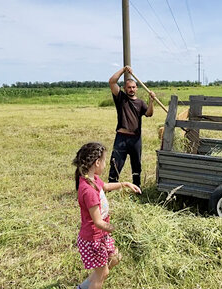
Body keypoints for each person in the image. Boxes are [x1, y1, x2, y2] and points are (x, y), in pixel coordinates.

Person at [72, 142, 142, 289]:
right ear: (97, 162)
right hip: (93, 239)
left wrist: (125, 184)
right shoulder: (88, 190)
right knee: (102, 275)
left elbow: (106, 187)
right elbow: (97, 222)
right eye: (104, 160)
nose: (105, 163)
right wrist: (120, 230)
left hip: (102, 235)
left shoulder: (92, 178)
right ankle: (94, 280)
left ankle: (86, 284)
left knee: (115, 257)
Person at [108, 65, 155, 187]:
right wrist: (123, 70)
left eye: (133, 87)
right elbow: (112, 81)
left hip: (135, 139)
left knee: (136, 165)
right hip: (121, 137)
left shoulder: (140, 103)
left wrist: (151, 101)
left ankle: (137, 187)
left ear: (137, 88)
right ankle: (111, 186)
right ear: (125, 88)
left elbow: (149, 113)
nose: (131, 89)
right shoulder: (121, 98)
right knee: (115, 163)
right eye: (129, 87)